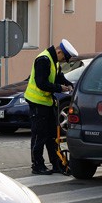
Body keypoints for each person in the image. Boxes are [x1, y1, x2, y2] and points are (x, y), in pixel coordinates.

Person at [24, 38, 78, 175]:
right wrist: (60, 88)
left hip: (47, 103)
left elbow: (59, 76)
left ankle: (56, 163)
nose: (62, 61)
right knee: (39, 135)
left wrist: (69, 84)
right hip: (37, 103)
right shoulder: (43, 60)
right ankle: (37, 165)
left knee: (52, 135)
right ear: (59, 51)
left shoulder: (53, 60)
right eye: (64, 58)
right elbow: (41, 83)